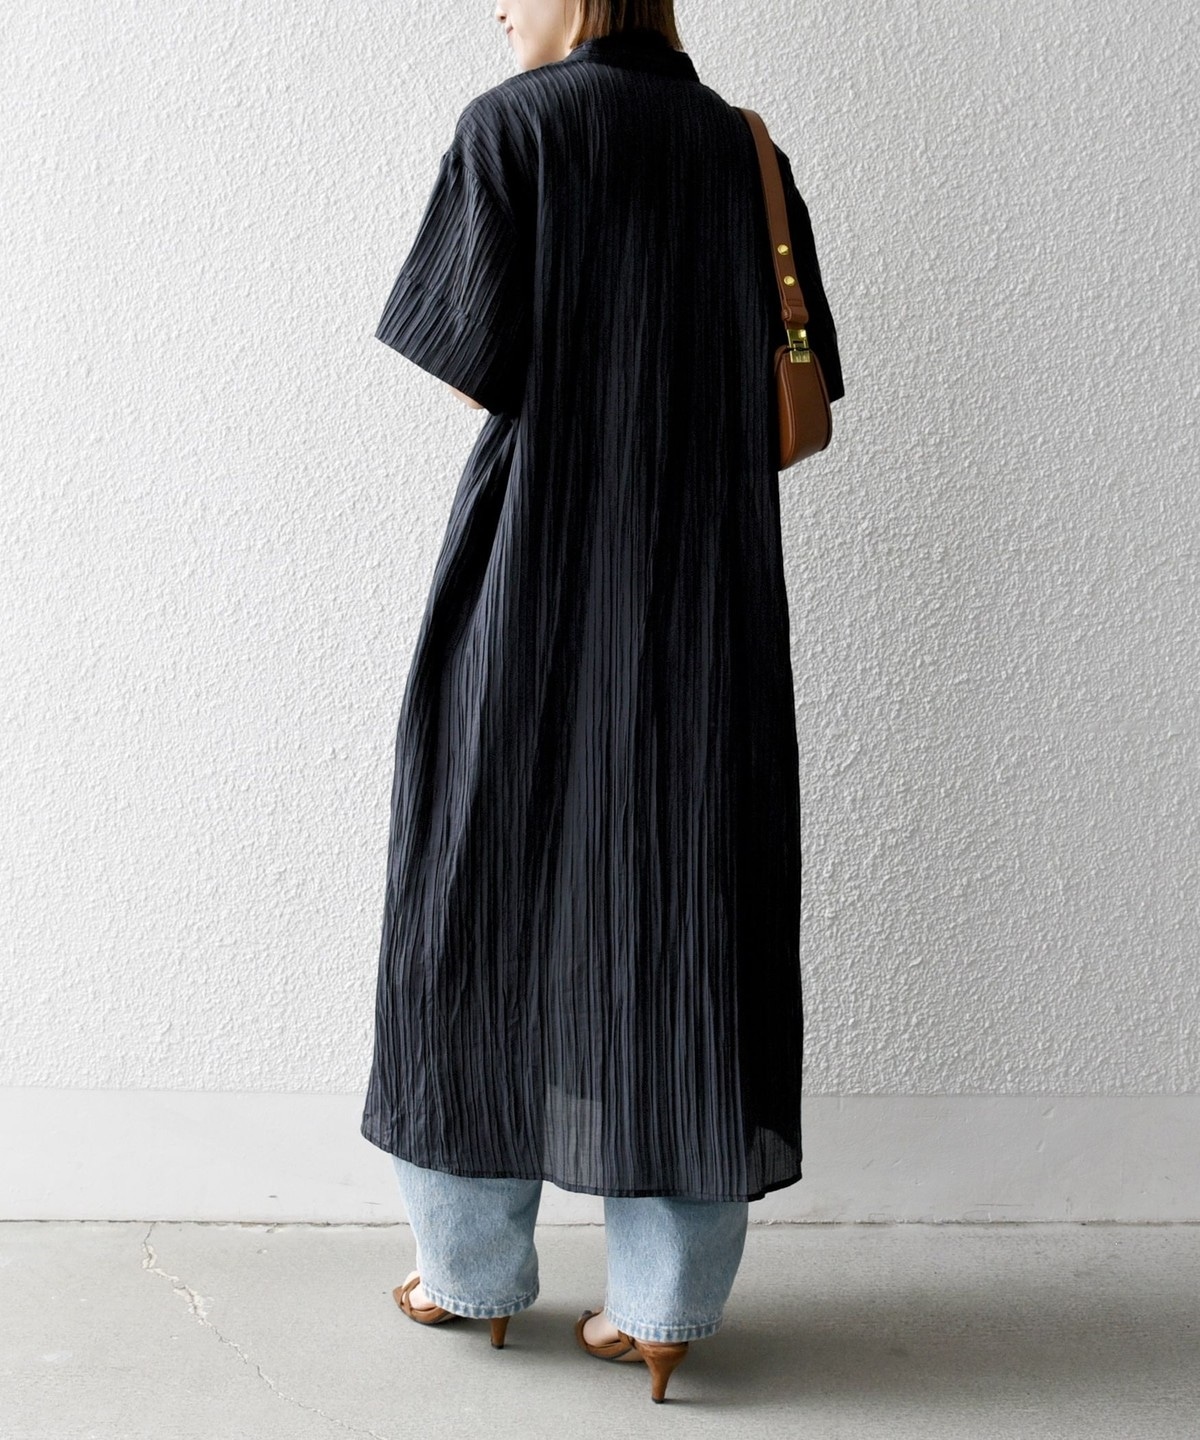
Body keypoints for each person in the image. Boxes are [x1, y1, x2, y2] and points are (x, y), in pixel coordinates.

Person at [360, 0, 844, 1403]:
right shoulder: (744, 150)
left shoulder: (510, 129)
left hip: (534, 575)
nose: (498, 8)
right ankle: (666, 1306)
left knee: (473, 893)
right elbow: (795, 391)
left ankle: (469, 1273)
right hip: (705, 597)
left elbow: (474, 368)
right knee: (685, 910)